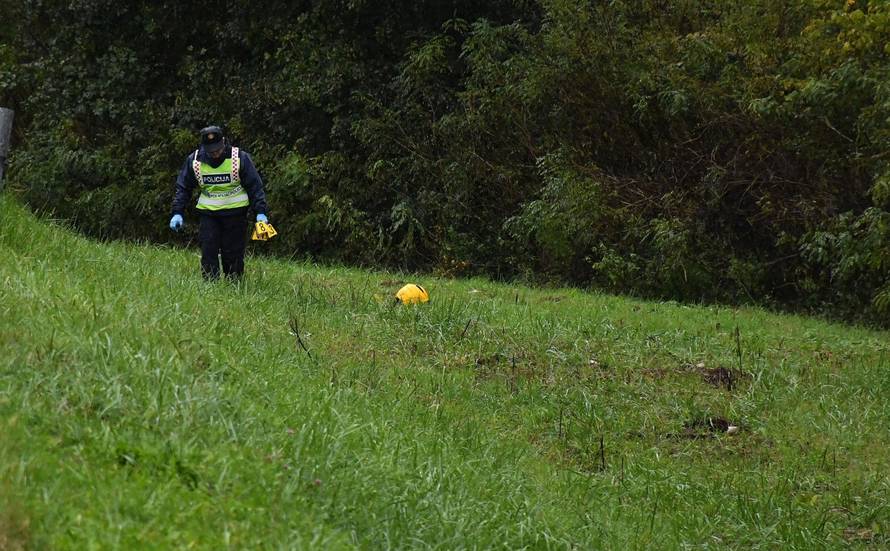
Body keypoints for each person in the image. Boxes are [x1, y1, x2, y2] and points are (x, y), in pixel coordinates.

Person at [169, 126, 269, 280]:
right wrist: (177, 212)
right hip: (209, 214)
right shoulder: (194, 161)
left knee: (233, 253)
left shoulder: (239, 158)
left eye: (217, 149)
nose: (215, 154)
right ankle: (210, 287)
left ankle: (234, 285)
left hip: (236, 214)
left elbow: (254, 186)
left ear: (223, 142)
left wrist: (260, 212)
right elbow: (183, 188)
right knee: (208, 251)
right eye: (211, 151)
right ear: (203, 147)